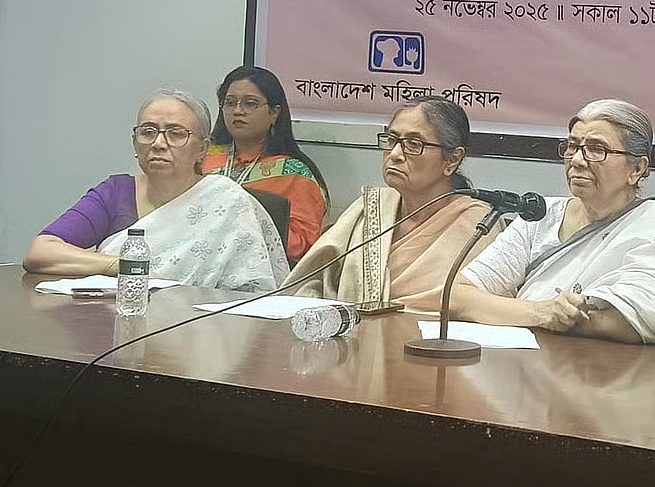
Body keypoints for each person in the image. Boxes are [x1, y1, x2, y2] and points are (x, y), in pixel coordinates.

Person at [451, 98, 655, 348]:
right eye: (572, 146)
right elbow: (456, 296)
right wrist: (540, 313)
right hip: (531, 365)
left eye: (597, 149)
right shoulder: (539, 214)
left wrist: (559, 318)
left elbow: (635, 318)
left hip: (611, 374)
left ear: (637, 169)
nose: (576, 160)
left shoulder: (653, 218)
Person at [25, 89, 288, 292]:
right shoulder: (116, 192)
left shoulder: (228, 202)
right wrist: (125, 266)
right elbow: (41, 252)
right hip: (114, 327)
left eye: (176, 133)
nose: (159, 143)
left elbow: (254, 289)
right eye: (148, 132)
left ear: (202, 149)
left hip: (205, 334)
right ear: (135, 142)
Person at [285, 97, 498, 311]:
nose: (395, 154)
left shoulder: (478, 224)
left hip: (427, 342)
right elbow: (312, 283)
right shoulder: (369, 208)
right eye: (391, 140)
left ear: (452, 159)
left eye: (414, 144)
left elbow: (478, 305)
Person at [202, 66, 329, 263]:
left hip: (262, 272)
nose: (237, 111)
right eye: (230, 103)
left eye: (250, 103)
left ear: (274, 113)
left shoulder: (294, 173)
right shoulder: (200, 158)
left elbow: (303, 245)